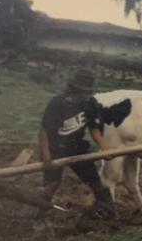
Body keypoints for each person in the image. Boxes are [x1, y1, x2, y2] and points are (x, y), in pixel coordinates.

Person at [34, 69, 115, 226]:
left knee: (95, 181)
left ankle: (109, 212)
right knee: (51, 185)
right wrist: (46, 156)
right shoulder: (57, 103)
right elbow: (44, 131)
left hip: (77, 148)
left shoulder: (91, 104)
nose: (83, 95)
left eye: (86, 92)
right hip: (55, 148)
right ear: (73, 89)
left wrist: (105, 148)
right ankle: (38, 217)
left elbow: (94, 129)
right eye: (80, 92)